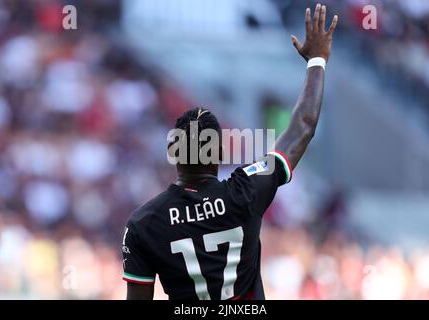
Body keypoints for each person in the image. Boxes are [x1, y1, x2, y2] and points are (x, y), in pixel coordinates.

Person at [122, 3, 338, 300]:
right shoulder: (245, 192)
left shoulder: (143, 224)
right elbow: (303, 127)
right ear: (218, 153)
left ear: (173, 151)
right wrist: (317, 61)